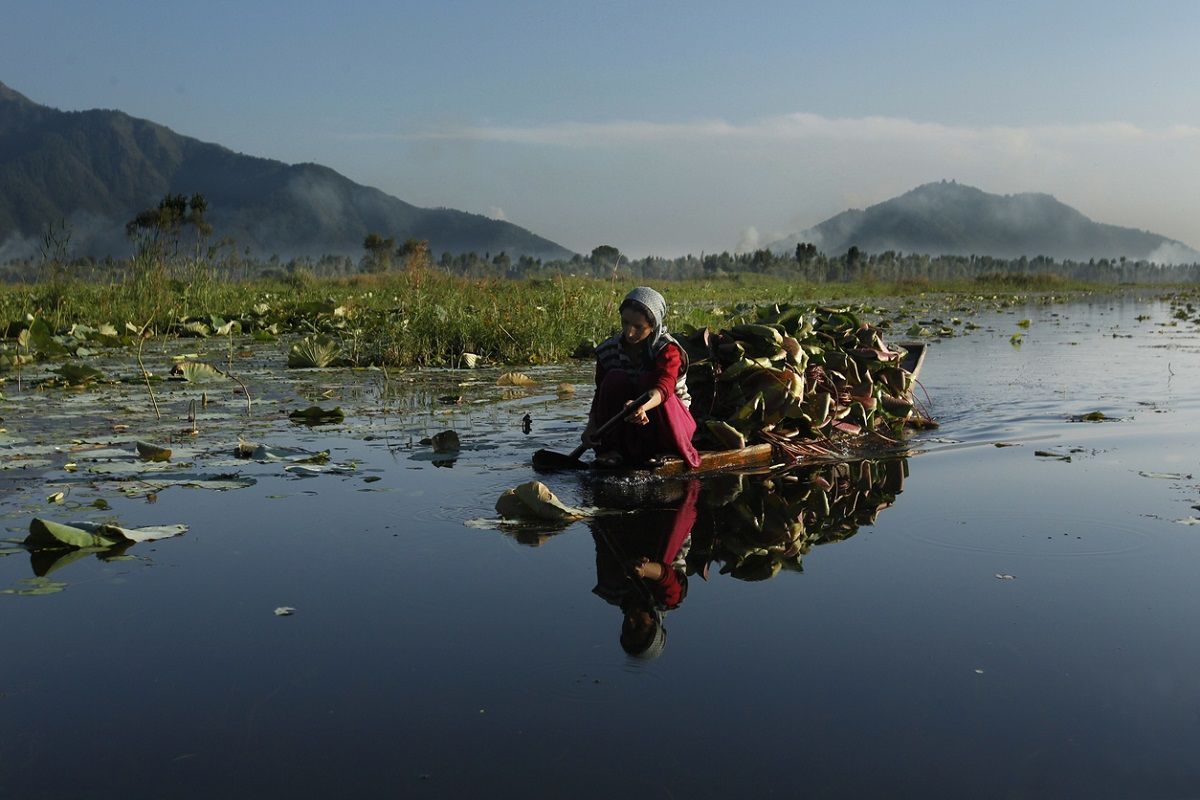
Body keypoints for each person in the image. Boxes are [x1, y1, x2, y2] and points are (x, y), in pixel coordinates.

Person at [582, 287, 701, 468]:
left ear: (653, 327)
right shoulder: (608, 350)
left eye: (638, 327)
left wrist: (641, 407)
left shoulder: (667, 350)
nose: (629, 333)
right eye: (625, 323)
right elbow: (601, 394)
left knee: (648, 381)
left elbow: (664, 387)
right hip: (630, 425)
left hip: (671, 426)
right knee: (614, 378)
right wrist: (591, 426)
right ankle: (612, 450)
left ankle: (665, 450)